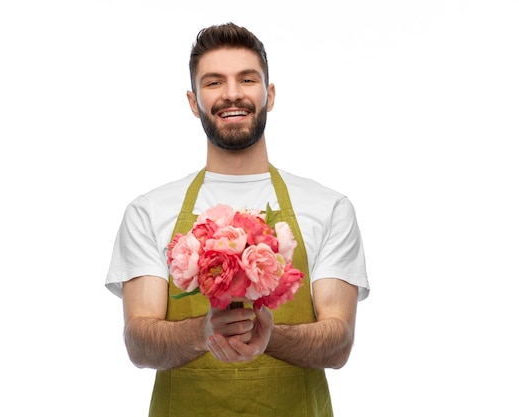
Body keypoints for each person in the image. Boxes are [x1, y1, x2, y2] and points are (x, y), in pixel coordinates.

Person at [105, 22, 370, 417]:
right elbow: (140, 343)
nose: (232, 93)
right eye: (214, 82)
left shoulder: (328, 207)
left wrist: (269, 336)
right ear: (194, 102)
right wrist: (203, 331)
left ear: (270, 94)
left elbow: (339, 343)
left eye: (247, 79)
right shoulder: (149, 211)